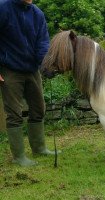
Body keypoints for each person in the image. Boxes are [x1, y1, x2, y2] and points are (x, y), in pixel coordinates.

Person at [0, 0, 59, 166]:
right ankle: (19, 157)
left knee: (39, 108)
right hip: (9, 69)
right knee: (14, 112)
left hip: (32, 69)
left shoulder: (37, 14)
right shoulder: (3, 8)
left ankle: (39, 148)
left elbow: (42, 43)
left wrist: (45, 65)